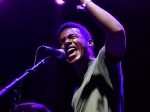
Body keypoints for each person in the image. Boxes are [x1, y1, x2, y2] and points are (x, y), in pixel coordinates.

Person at [15, 0, 126, 112]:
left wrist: (83, 1)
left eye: (72, 36)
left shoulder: (103, 63)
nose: (66, 42)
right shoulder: (76, 92)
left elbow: (117, 32)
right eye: (62, 42)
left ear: (90, 43)